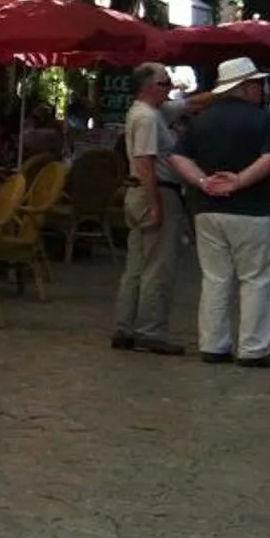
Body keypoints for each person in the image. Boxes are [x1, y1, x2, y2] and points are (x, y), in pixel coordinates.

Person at [167, 56, 270, 367]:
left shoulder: (201, 120)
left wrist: (204, 182)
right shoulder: (263, 119)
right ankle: (253, 348)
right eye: (258, 84)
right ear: (246, 87)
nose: (261, 89)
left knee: (215, 278)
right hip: (253, 210)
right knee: (256, 279)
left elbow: (178, 158)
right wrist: (239, 181)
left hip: (207, 209)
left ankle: (213, 345)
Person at [110, 64, 189, 355]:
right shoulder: (146, 118)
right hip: (155, 193)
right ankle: (150, 330)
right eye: (164, 83)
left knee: (137, 265)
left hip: (142, 193)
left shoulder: (152, 113)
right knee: (158, 265)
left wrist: (223, 92)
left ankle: (126, 326)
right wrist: (155, 203)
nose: (169, 88)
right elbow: (145, 163)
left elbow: (189, 104)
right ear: (148, 87)